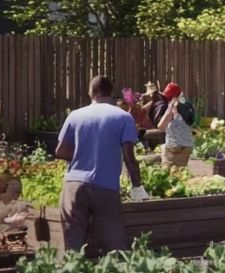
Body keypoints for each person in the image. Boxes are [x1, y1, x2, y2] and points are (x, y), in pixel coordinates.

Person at [55, 75, 146, 255]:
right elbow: (129, 157)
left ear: (92, 92)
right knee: (113, 242)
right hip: (106, 186)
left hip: (74, 184)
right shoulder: (123, 117)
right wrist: (137, 187)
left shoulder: (75, 115)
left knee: (72, 241)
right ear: (110, 93)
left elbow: (60, 151)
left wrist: (82, 155)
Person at [156, 82, 195, 167]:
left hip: (174, 148)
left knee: (168, 176)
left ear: (173, 97)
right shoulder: (188, 105)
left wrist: (170, 108)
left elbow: (161, 127)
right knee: (179, 175)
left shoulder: (176, 107)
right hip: (186, 148)